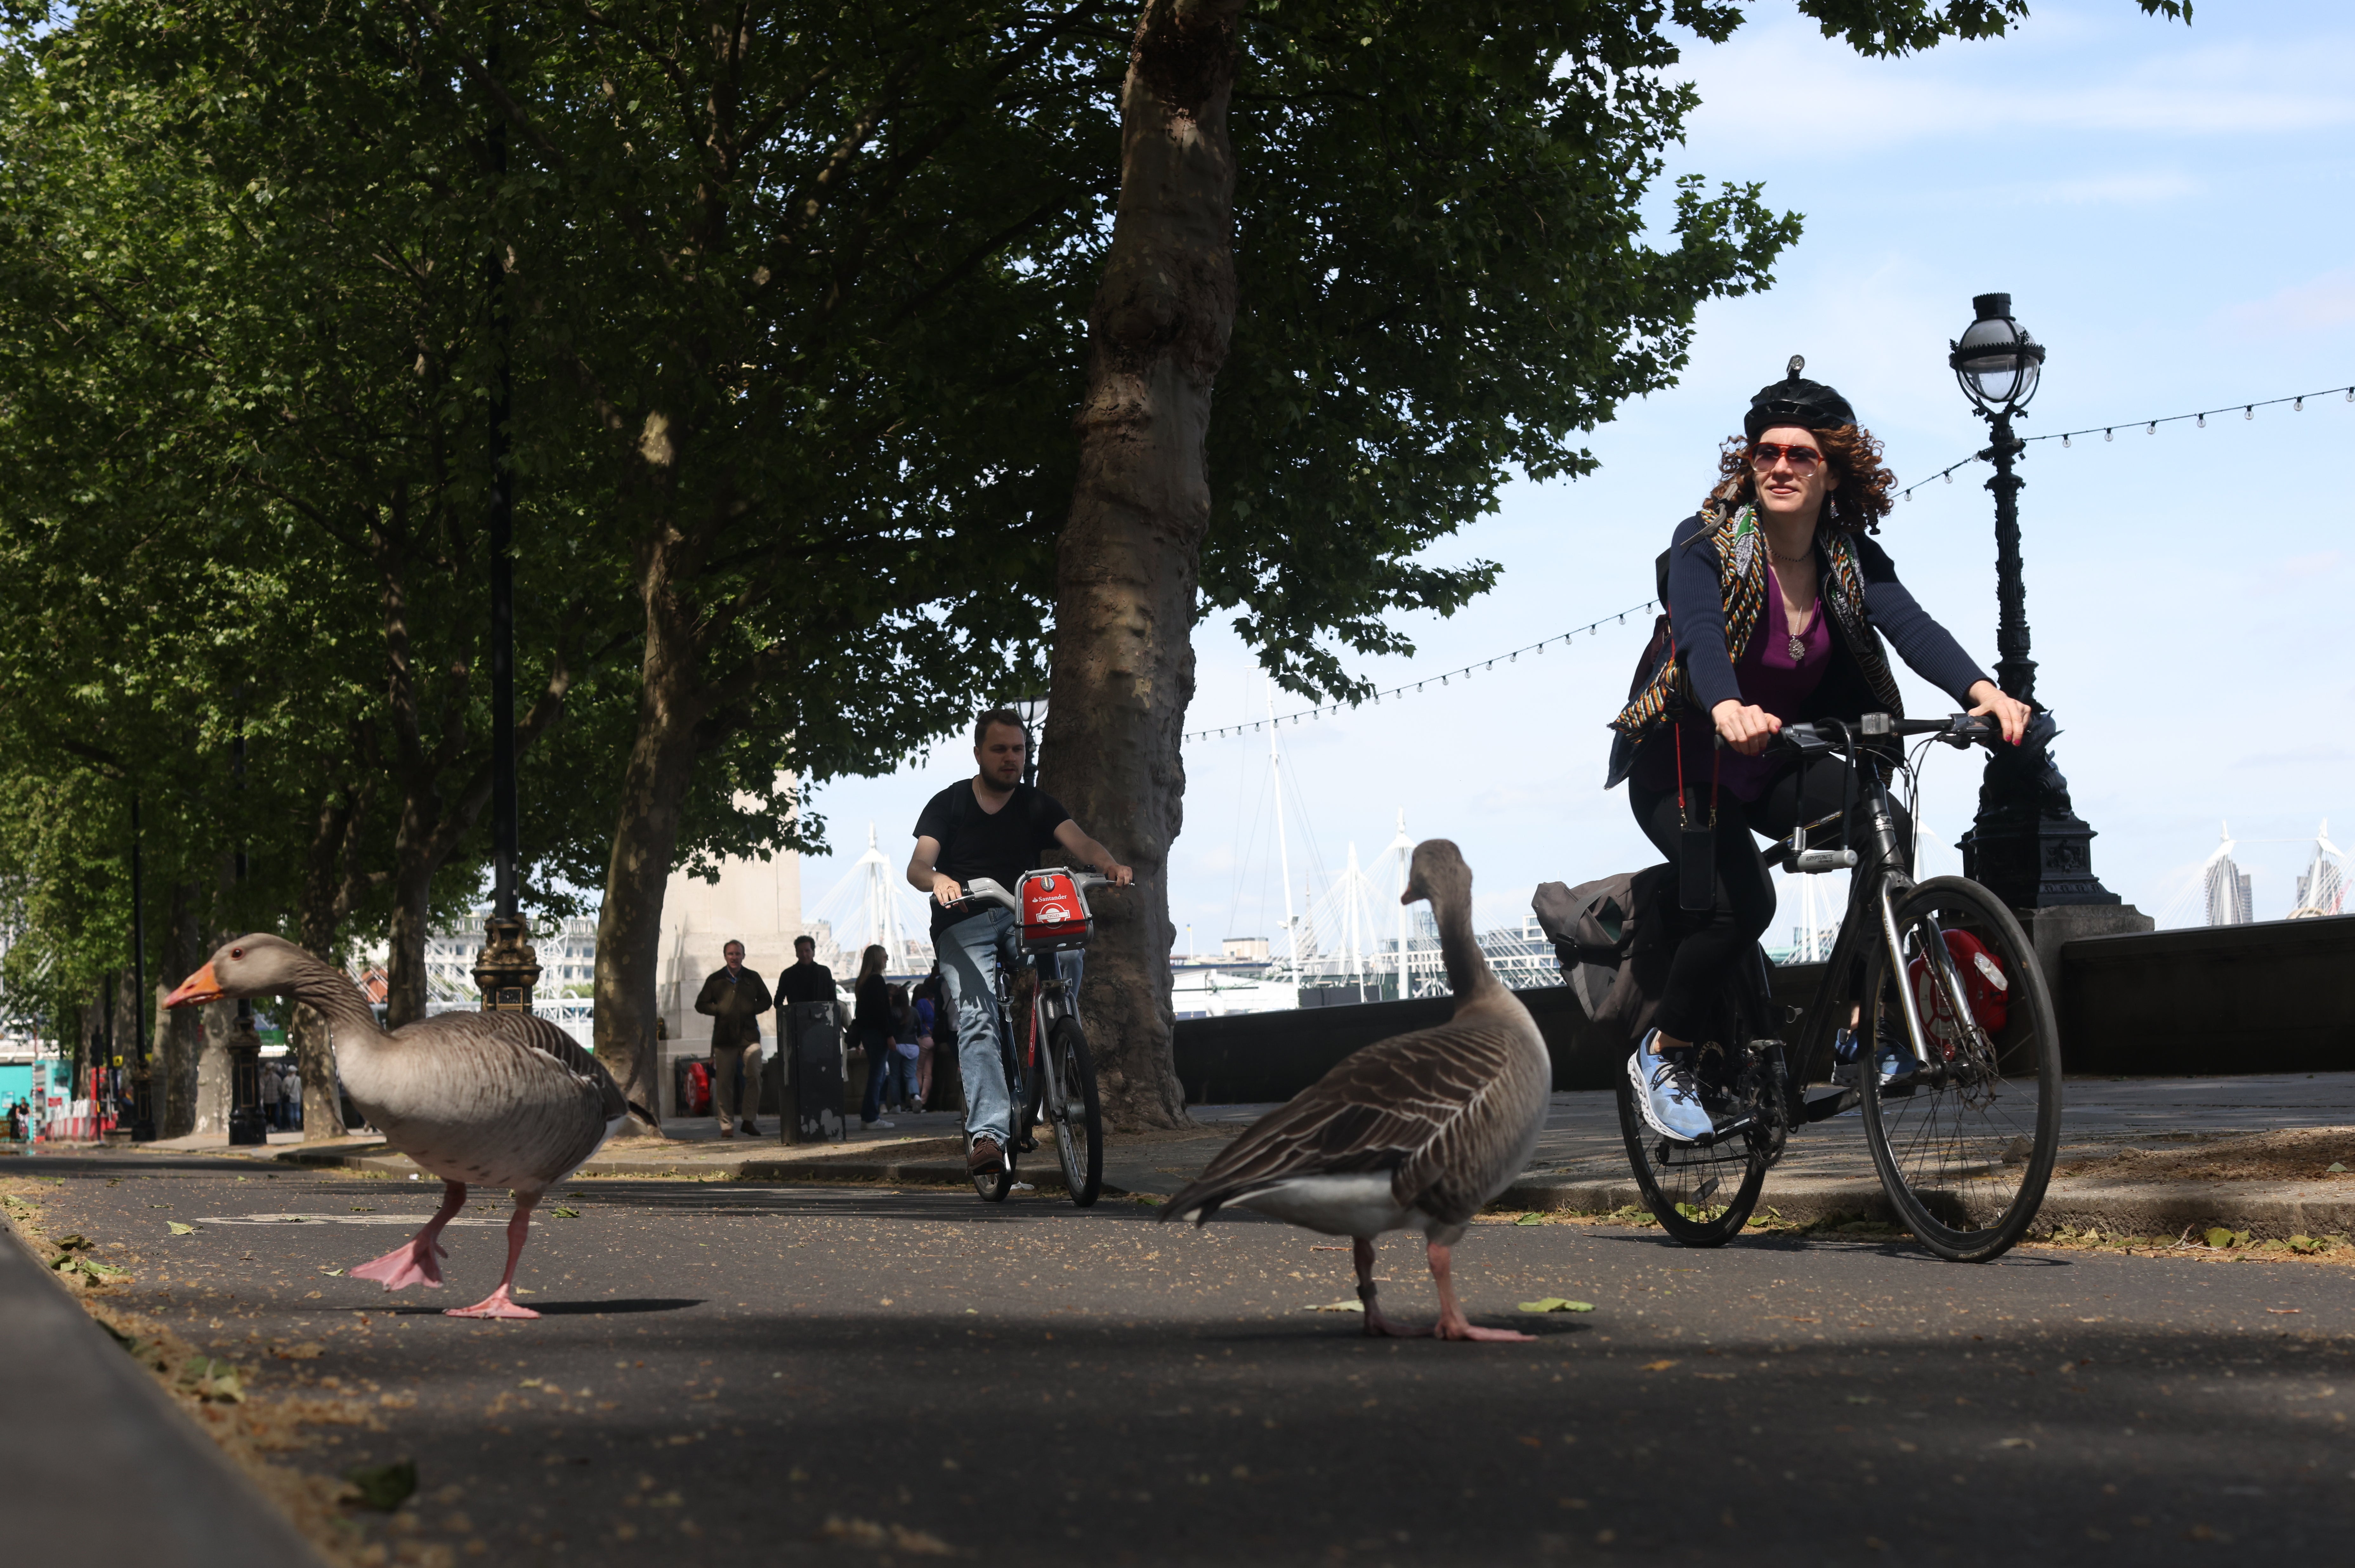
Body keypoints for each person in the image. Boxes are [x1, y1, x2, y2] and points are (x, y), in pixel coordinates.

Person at [1606, 362, 2031, 1142]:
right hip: (1683, 763)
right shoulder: (1711, 545)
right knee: (1745, 906)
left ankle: (1862, 1032)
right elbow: (1700, 632)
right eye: (1764, 452)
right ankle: (1661, 1053)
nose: (1777, 466)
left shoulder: (1846, 558)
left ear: (1831, 472)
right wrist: (1727, 703)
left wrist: (1983, 692)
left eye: (1798, 454)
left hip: (1774, 758)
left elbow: (1911, 627)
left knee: (1885, 829)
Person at [905, 707, 1133, 1176]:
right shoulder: (948, 804)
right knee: (978, 1019)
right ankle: (988, 1135)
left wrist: (1108, 864)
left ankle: (1058, 1029)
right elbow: (918, 866)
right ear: (979, 754)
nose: (1012, 759)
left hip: (1021, 918)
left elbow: (1083, 843)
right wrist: (940, 880)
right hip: (964, 922)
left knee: (1068, 945)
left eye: (1019, 749)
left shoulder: (1036, 805)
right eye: (1000, 750)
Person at [693, 940, 772, 1138]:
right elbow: (700, 1004)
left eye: (738, 954)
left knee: (754, 1074)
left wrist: (751, 1009)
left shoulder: (752, 978)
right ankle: (726, 1125)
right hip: (724, 1038)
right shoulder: (716, 979)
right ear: (725, 956)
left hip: (749, 1036)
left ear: (744, 956)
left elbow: (767, 1000)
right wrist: (719, 1009)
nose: (734, 957)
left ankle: (749, 1120)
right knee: (724, 1083)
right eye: (731, 954)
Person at [851, 945, 898, 1129]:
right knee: (877, 1076)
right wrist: (890, 1035)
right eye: (885, 957)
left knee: (876, 1074)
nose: (887, 960)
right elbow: (882, 1012)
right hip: (878, 1035)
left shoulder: (863, 982)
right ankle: (871, 1116)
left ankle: (869, 1116)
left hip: (867, 1034)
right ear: (878, 958)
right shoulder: (877, 981)